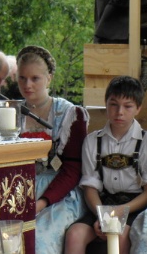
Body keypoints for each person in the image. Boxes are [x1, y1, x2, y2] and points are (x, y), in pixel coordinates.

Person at [64, 76, 147, 254]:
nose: (119, 112)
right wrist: (103, 215)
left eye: (127, 106)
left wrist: (119, 213)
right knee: (75, 234)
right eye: (113, 104)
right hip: (101, 204)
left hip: (134, 206)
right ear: (106, 105)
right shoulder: (92, 141)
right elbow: (90, 186)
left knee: (119, 235)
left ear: (138, 108)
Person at [15, 45, 89, 254]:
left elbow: (73, 170)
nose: (27, 85)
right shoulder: (11, 113)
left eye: (34, 78)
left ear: (49, 78)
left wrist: (41, 203)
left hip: (61, 194)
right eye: (22, 78)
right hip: (20, 190)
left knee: (38, 238)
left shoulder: (69, 114)